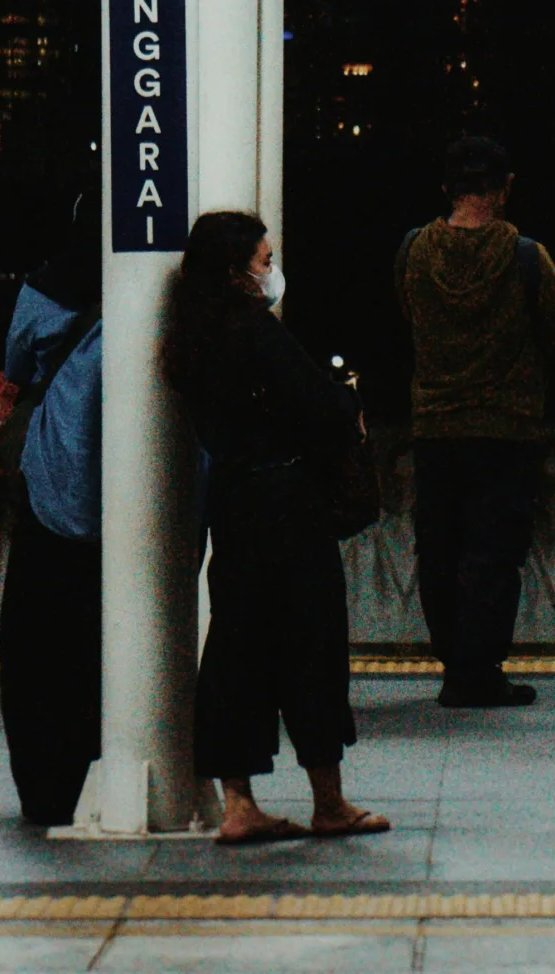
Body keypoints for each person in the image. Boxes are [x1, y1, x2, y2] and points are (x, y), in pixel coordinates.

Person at [172, 211, 388, 844]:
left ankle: (238, 804)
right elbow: (321, 409)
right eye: (265, 261)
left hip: (234, 504)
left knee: (238, 647)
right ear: (238, 271)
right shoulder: (256, 332)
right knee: (312, 647)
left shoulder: (191, 337)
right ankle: (329, 801)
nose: (272, 272)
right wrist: (347, 402)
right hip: (288, 502)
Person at [396, 136, 555, 707]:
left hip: (434, 425)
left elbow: (405, 318)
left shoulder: (413, 250)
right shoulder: (526, 255)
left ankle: (454, 664)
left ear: (446, 190)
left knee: (440, 548)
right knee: (494, 553)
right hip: (507, 426)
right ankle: (480, 671)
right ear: (505, 189)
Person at [0, 196, 103, 828]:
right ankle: (95, 769)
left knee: (36, 648)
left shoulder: (43, 288)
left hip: (47, 484)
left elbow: (15, 366)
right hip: (122, 494)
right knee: (97, 644)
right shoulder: (147, 290)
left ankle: (42, 787)